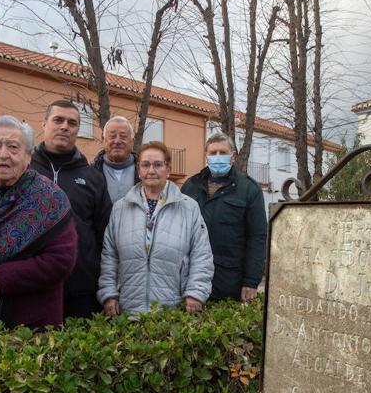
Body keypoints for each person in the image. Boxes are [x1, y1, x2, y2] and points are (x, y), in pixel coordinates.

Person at [0, 116, 78, 332]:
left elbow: (61, 261)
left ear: (28, 156)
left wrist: (1, 278)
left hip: (28, 324)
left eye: (13, 147)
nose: (3, 154)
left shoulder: (50, 198)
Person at [98, 141, 214, 316]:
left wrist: (196, 293)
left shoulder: (189, 207)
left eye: (158, 165)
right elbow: (109, 256)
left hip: (172, 309)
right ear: (138, 170)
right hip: (127, 310)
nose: (151, 170)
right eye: (145, 165)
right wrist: (108, 294)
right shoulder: (120, 208)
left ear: (168, 169)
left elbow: (201, 254)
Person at [30, 99, 112, 319]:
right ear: (44, 124)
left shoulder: (93, 178)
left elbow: (105, 235)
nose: (65, 126)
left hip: (82, 291)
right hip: (31, 288)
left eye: (72, 123)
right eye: (58, 120)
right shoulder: (24, 171)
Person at [181, 132, 267, 303]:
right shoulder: (191, 186)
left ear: (233, 157)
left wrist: (251, 281)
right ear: (206, 156)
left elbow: (257, 237)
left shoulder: (249, 189)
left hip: (230, 281)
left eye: (223, 152)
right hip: (191, 278)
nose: (217, 157)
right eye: (213, 153)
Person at [92, 115, 140, 204]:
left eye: (123, 136)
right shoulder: (91, 173)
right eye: (112, 136)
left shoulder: (144, 172)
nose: (117, 141)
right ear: (103, 140)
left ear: (132, 141)